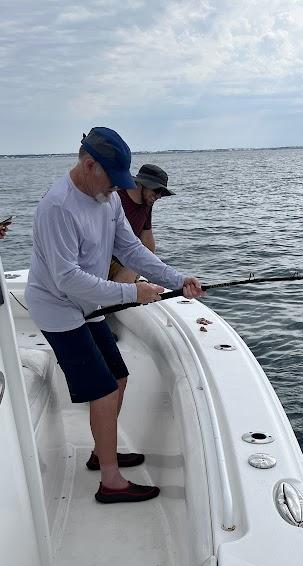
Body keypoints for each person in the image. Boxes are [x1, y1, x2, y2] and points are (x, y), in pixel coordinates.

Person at [25, 127, 203, 504]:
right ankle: (111, 481)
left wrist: (177, 278)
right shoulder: (58, 207)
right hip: (57, 308)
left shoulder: (108, 200)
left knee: (118, 377)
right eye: (113, 178)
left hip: (89, 305)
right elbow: (68, 279)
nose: (117, 188)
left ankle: (99, 453)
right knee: (104, 390)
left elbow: (132, 249)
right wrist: (133, 292)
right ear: (89, 165)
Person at [108, 163, 174, 284]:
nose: (158, 196)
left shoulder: (147, 204)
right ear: (142, 184)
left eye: (162, 192)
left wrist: (151, 270)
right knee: (132, 267)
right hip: (105, 258)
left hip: (126, 258)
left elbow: (148, 241)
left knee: (137, 267)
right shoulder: (116, 197)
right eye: (157, 190)